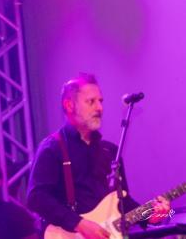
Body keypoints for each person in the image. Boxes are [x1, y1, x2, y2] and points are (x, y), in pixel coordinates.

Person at [27, 73, 170, 239]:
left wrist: (153, 215)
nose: (99, 108)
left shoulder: (110, 152)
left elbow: (123, 203)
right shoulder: (53, 147)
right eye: (91, 102)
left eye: (100, 101)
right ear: (69, 105)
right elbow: (36, 197)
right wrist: (78, 223)